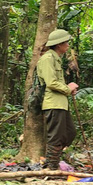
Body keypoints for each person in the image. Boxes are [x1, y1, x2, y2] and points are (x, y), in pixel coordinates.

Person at [36, 29, 79, 170]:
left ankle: (52, 161)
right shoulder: (48, 59)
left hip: (61, 103)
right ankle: (52, 167)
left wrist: (68, 89)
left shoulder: (56, 59)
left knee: (69, 133)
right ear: (59, 44)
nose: (67, 45)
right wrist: (68, 88)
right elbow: (51, 83)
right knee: (56, 136)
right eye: (66, 42)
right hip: (53, 103)